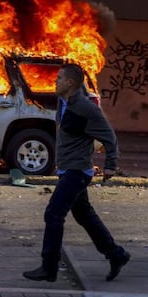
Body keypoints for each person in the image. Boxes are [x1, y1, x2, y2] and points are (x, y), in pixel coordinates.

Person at [23, 63, 130, 283]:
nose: (55, 81)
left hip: (77, 170)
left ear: (70, 83)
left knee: (53, 214)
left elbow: (110, 136)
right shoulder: (63, 101)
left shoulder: (85, 107)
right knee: (84, 215)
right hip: (67, 169)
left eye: (59, 78)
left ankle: (49, 267)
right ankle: (116, 254)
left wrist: (110, 164)